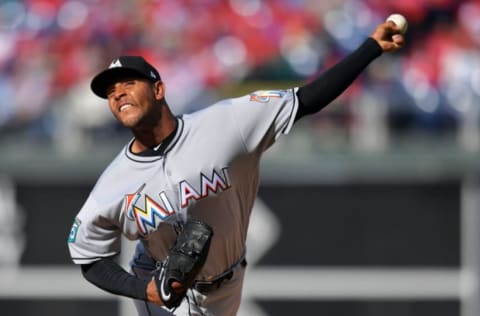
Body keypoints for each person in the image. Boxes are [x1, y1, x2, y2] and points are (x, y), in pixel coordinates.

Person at [67, 20, 405, 316]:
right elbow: (89, 259)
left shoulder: (227, 123)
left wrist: (371, 47)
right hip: (164, 291)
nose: (118, 94)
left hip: (229, 281)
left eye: (128, 83)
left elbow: (307, 99)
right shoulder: (113, 183)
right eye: (110, 91)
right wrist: (146, 291)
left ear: (158, 89)